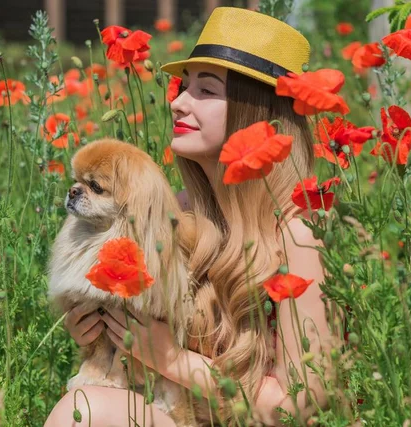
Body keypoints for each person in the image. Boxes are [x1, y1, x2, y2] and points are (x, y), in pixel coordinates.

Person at [45, 7, 334, 426]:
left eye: (206, 90)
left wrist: (169, 358)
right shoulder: (175, 212)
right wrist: (97, 334)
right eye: (183, 87)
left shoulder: (296, 237)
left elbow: (300, 404)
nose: (178, 102)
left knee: (86, 413)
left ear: (252, 110)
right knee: (84, 409)